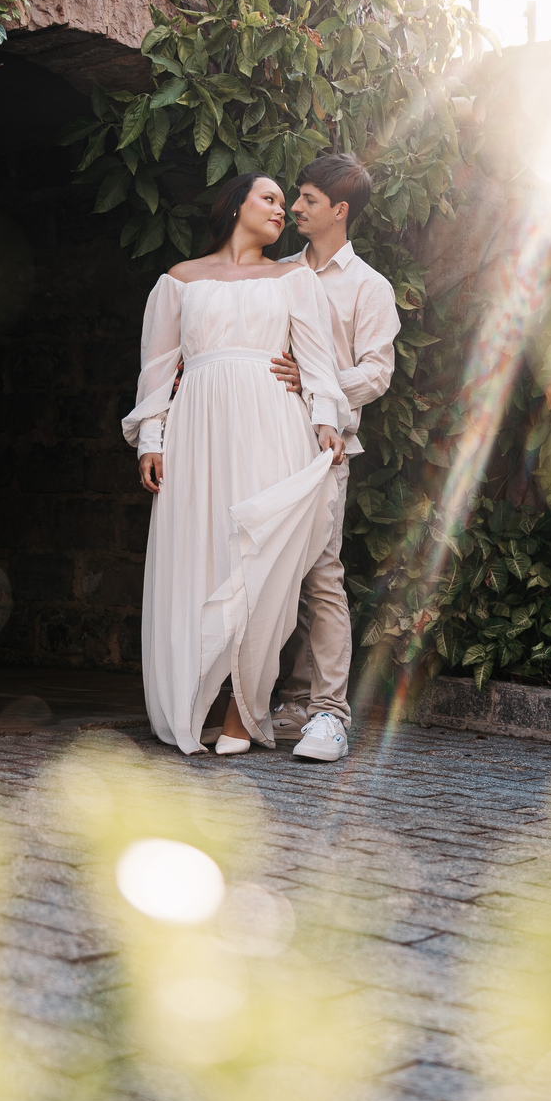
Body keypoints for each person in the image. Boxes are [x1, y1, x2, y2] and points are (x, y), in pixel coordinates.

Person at [122, 173, 347, 756]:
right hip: (197, 430)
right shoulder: (179, 280)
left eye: (284, 202)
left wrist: (325, 417)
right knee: (201, 553)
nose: (281, 210)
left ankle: (241, 711)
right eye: (269, 199)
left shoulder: (293, 278)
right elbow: (157, 368)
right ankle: (192, 694)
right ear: (236, 204)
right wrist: (152, 436)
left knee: (260, 563)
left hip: (271, 424)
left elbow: (318, 360)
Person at [270, 154, 401, 762]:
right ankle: (294, 702)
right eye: (296, 198)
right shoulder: (275, 274)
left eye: (308, 199)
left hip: (328, 448)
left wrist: (316, 385)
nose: (295, 208)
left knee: (321, 574)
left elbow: (377, 374)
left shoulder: (369, 287)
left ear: (339, 210)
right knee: (280, 575)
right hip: (268, 439)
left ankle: (330, 715)